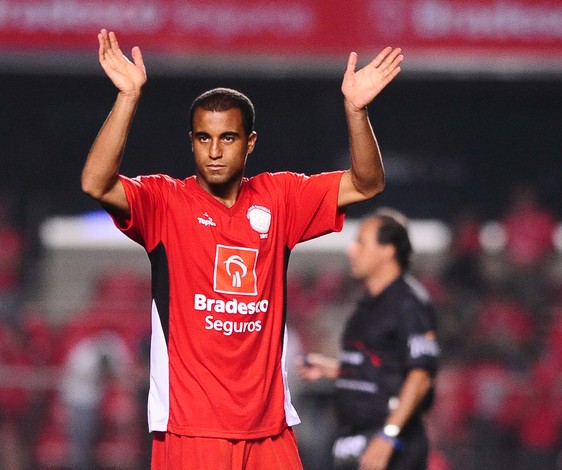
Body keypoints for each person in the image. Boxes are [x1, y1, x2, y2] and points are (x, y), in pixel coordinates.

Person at [81, 29, 403, 470]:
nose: (214, 151)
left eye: (227, 138)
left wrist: (356, 110)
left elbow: (367, 183)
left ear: (249, 142)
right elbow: (95, 183)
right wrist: (127, 98)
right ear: (192, 141)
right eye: (203, 138)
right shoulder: (165, 203)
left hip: (270, 432)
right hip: (190, 431)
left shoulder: (281, 198)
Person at [298, 208, 440, 470]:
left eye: (361, 243)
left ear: (387, 250)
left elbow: (420, 376)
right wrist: (332, 369)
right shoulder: (367, 306)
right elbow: (381, 366)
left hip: (389, 446)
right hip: (354, 441)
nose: (351, 250)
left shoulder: (409, 304)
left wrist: (389, 436)